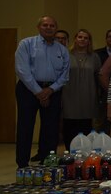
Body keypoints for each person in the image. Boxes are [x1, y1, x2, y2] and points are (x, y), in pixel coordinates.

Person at [15, 16, 70, 168]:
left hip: (53, 90)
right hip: (28, 89)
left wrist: (50, 90)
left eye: (52, 25)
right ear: (38, 27)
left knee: (51, 127)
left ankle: (48, 160)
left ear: (56, 28)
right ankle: (22, 162)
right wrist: (39, 92)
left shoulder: (62, 49)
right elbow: (22, 70)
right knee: (25, 126)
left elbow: (65, 75)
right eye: (45, 25)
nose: (48, 28)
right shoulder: (26, 44)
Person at [61, 29, 101, 150]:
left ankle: (84, 153)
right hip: (69, 96)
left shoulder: (94, 57)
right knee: (69, 127)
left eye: (86, 38)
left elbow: (98, 77)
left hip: (87, 97)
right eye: (80, 37)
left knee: (85, 127)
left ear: (89, 41)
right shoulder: (66, 55)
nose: (82, 40)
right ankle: (69, 152)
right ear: (75, 39)